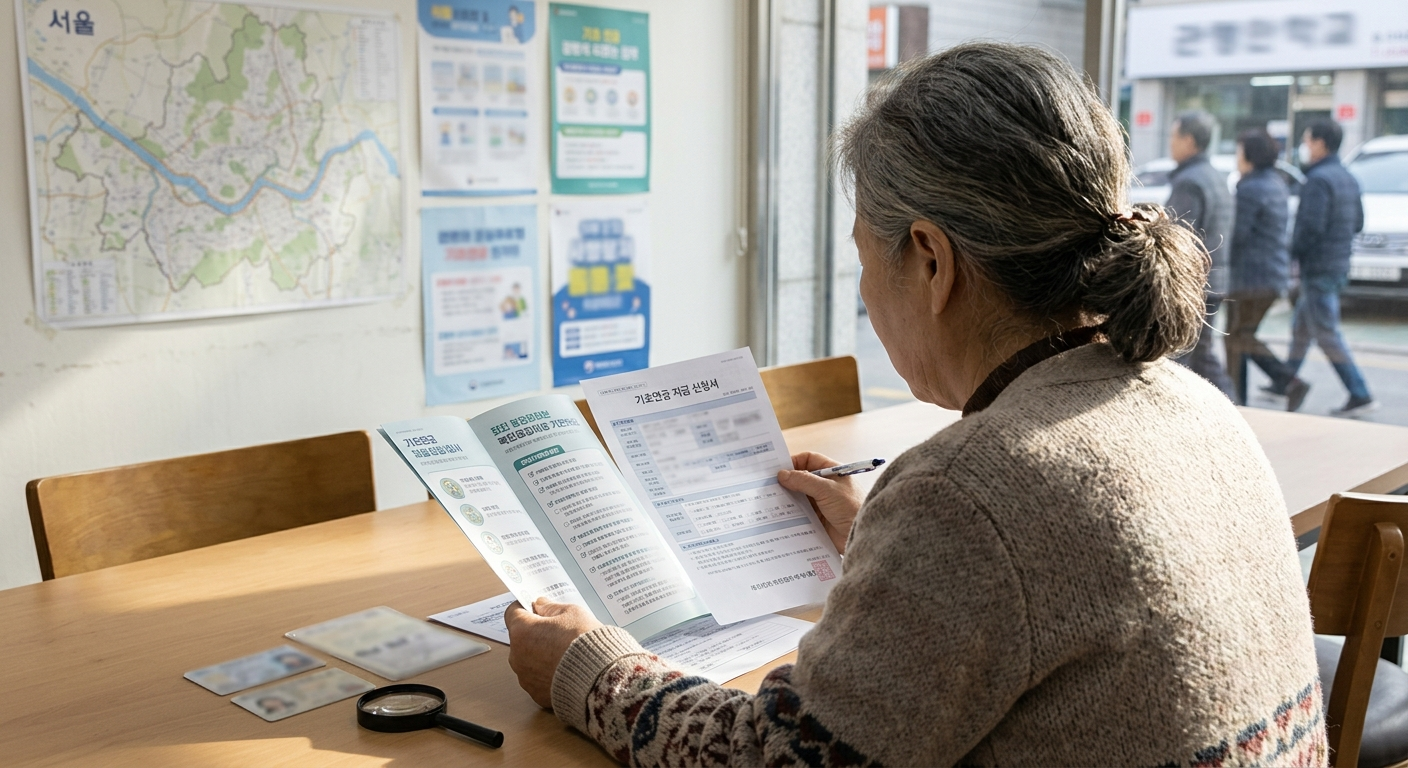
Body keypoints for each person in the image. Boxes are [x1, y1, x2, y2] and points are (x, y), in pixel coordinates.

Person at [503, 43, 1324, 767]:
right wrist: (879, 542)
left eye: (866, 256)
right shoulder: (1194, 403)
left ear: (931, 260)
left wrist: (590, 669)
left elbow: (775, 758)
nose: (864, 293)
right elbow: (1054, 598)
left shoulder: (971, 490)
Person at [1286, 119, 1375, 416]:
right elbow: (1359, 223)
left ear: (1321, 144)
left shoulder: (1318, 180)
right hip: (1338, 263)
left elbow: (1310, 228)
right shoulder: (1348, 177)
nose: (1305, 147)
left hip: (1319, 267)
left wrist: (1292, 253)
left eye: (1308, 141)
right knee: (1302, 328)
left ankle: (1359, 393)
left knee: (1326, 333)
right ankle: (1284, 380)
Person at [1225, 128, 1307, 408]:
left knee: (1236, 338)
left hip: (1250, 278)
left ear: (1250, 155)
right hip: (1271, 275)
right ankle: (1249, 395)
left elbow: (1238, 236)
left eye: (1239, 152)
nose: (1236, 158)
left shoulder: (1249, 187)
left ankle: (1279, 383)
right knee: (1242, 336)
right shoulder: (1276, 182)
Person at [1165, 110, 1235, 399]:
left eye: (1174, 136)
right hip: (1216, 279)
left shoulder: (1189, 182)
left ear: (1189, 140)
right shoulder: (1216, 177)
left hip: (1194, 284)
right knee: (1203, 355)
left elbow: (1177, 236)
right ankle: (1233, 407)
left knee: (1178, 356)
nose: (1170, 143)